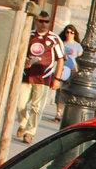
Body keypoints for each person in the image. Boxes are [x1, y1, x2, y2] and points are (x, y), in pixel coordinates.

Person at [13, 11, 63, 144]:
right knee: (20, 104)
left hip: (44, 77)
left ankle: (30, 132)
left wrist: (57, 79)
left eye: (46, 21)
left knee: (37, 107)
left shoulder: (54, 38)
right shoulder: (28, 35)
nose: (43, 24)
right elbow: (20, 52)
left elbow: (61, 59)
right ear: (36, 21)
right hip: (27, 75)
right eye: (41, 21)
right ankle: (23, 123)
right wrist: (25, 60)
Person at [54, 24, 82, 122]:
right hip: (62, 69)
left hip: (72, 70)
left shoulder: (77, 46)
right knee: (60, 91)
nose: (69, 34)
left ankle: (66, 111)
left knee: (69, 91)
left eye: (71, 32)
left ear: (74, 34)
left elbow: (79, 59)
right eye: (67, 32)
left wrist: (78, 71)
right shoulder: (62, 43)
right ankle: (58, 112)